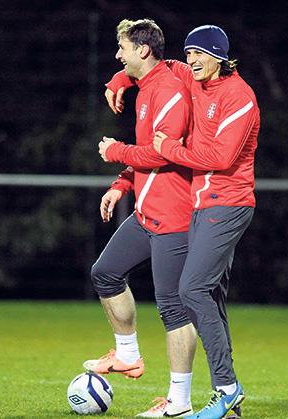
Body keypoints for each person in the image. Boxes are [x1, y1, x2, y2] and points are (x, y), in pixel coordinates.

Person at [82, 19, 197, 417]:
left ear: (143, 50)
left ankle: (180, 402)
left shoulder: (169, 91)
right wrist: (122, 184)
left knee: (173, 308)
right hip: (147, 213)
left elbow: (163, 153)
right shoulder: (147, 86)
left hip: (174, 217)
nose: (118, 55)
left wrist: (116, 151)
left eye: (123, 49)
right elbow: (148, 150)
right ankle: (128, 355)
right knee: (105, 273)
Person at [149, 25, 259, 419]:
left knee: (192, 289)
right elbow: (157, 65)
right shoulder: (195, 78)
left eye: (198, 53)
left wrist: (170, 148)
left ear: (218, 57)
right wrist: (118, 80)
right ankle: (229, 401)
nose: (191, 59)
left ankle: (227, 388)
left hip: (228, 205)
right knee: (210, 295)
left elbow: (221, 159)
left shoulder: (240, 97)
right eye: (189, 53)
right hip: (202, 205)